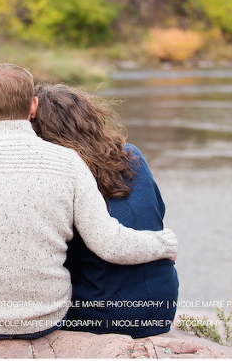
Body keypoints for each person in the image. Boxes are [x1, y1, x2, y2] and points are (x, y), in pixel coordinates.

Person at [0, 63, 178, 343]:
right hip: (128, 312)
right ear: (32, 106)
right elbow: (115, 239)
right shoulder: (104, 159)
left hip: (75, 316)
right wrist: (164, 244)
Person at [30, 83, 179, 338]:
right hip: (162, 308)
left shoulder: (62, 178)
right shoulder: (132, 155)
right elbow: (158, 213)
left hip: (105, 315)